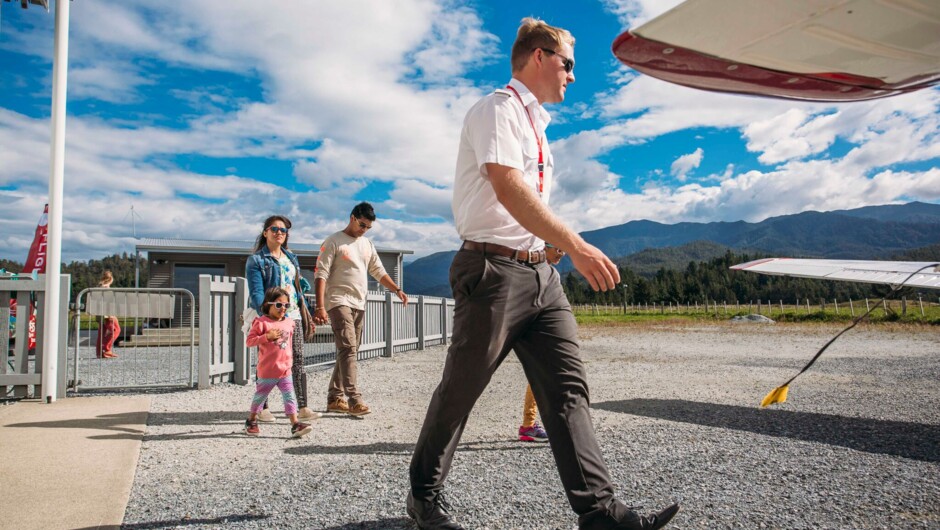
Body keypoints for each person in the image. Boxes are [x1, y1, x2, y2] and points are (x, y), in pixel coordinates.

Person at [407, 18, 679, 530]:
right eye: (567, 63)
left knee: (568, 390)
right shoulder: (496, 109)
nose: (572, 76)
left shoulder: (537, 127)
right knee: (461, 390)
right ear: (538, 56)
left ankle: (600, 514)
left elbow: (522, 202)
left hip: (540, 277)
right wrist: (575, 245)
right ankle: (423, 497)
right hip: (491, 272)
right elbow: (508, 188)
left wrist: (550, 249)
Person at [313, 202, 408, 417]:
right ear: (352, 218)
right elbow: (321, 274)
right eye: (362, 225)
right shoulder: (333, 241)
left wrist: (397, 290)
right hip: (338, 301)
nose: (364, 230)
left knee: (349, 350)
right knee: (348, 348)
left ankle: (335, 398)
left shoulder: (367, 244)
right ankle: (354, 399)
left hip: (359, 303)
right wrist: (320, 307)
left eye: (368, 227)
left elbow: (378, 270)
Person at [246, 215, 320, 422]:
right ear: (265, 232)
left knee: (296, 360)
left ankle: (302, 406)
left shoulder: (291, 257)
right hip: (271, 317)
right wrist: (268, 316)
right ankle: (263, 408)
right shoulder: (257, 260)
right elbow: (256, 292)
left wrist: (306, 310)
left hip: (293, 315)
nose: (280, 233)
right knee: (268, 361)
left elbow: (297, 289)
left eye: (284, 230)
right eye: (275, 229)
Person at [243, 287, 313, 439]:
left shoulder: (289, 323)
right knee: (260, 398)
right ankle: (252, 420)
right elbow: (249, 341)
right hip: (267, 371)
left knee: (290, 397)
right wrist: (266, 337)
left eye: (286, 306)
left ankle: (295, 424)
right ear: (268, 304)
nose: (283, 309)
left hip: (285, 371)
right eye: (279, 305)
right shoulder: (261, 323)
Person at [518, 245, 564, 443]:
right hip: (532, 327)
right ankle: (531, 425)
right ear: (546, 247)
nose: (563, 254)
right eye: (560, 249)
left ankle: (530, 425)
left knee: (542, 376)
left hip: (539, 328)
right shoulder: (533, 268)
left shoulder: (548, 270)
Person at [95, 270, 120, 359]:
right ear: (110, 279)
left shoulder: (98, 286)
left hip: (100, 313)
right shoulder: (106, 288)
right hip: (107, 313)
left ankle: (99, 353)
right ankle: (106, 349)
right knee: (116, 330)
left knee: (101, 333)